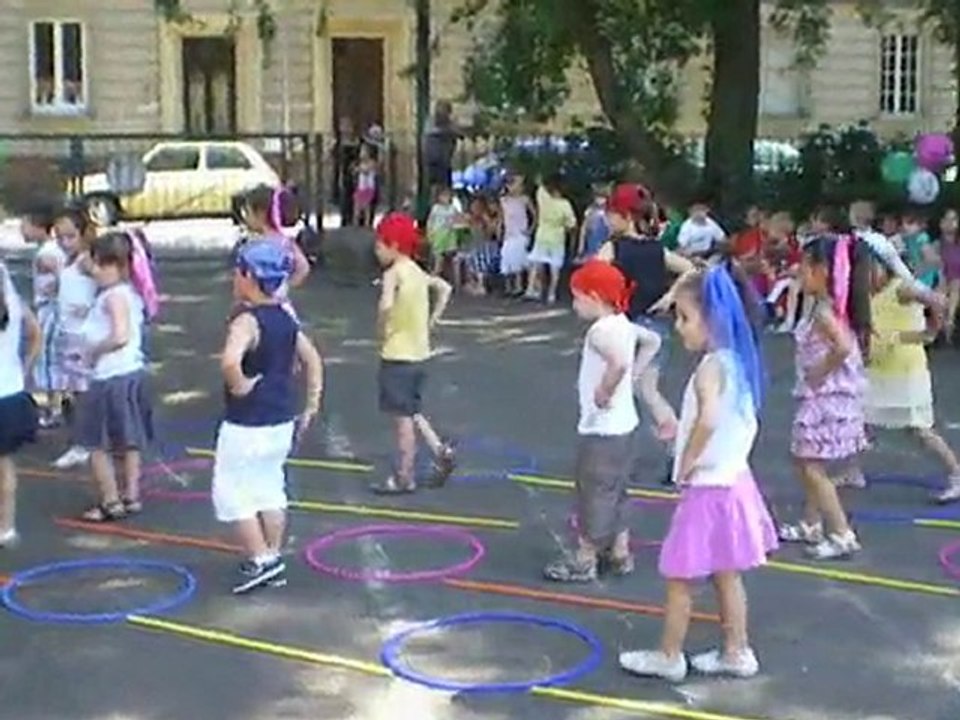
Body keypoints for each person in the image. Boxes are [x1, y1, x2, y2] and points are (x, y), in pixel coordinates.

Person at [619, 261, 776, 682]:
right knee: (727, 573)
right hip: (733, 482)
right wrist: (678, 427)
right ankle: (736, 650)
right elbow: (721, 421)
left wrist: (684, 462)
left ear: (714, 318)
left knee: (680, 576)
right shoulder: (736, 361)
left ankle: (669, 655)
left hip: (709, 487)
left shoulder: (711, 367)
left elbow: (707, 420)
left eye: (686, 318)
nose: (680, 327)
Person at [212, 241, 324, 594]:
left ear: (249, 277)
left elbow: (230, 361)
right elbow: (313, 359)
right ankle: (272, 554)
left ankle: (262, 559)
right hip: (280, 420)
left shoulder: (246, 321)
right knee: (269, 486)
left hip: (247, 423)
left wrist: (239, 383)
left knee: (232, 492)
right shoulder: (286, 319)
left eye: (238, 270)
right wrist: (312, 403)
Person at [543, 260, 660, 582]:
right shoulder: (623, 323)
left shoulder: (599, 331)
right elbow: (652, 342)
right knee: (617, 488)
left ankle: (586, 557)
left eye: (578, 297)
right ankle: (620, 551)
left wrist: (605, 390)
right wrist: (635, 376)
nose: (575, 304)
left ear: (594, 297)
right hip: (625, 426)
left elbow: (618, 362)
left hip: (602, 430)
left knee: (593, 492)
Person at [778, 235, 871, 560]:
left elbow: (843, 347)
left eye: (803, 267)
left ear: (821, 271)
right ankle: (811, 522)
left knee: (811, 466)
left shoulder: (824, 312)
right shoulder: (827, 306)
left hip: (824, 401)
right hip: (826, 399)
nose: (797, 272)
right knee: (808, 462)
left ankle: (842, 533)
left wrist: (820, 370)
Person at [596, 184, 696, 483]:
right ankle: (675, 447)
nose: (607, 220)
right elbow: (691, 268)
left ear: (625, 216)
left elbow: (594, 275)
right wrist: (671, 296)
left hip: (626, 328)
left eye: (611, 214)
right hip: (654, 325)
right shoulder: (656, 249)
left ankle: (618, 456)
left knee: (617, 391)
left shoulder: (614, 248)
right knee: (648, 391)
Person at [848, 252, 960, 502]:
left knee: (918, 429)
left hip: (905, 369)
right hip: (878, 367)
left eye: (872, 269)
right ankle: (852, 471)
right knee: (859, 420)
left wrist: (928, 333)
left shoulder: (901, 288)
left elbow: (937, 301)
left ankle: (956, 473)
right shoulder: (869, 293)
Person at [370, 213, 457, 494]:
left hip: (397, 355)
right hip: (420, 354)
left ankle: (405, 475)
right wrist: (432, 320)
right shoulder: (417, 272)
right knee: (412, 408)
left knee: (402, 418)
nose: (377, 250)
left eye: (380, 245)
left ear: (393, 245)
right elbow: (444, 288)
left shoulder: (392, 274)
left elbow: (384, 307)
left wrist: (382, 329)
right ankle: (439, 450)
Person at [74, 233, 155, 521]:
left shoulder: (113, 296)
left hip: (110, 377)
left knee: (96, 443)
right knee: (129, 439)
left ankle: (110, 500)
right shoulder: (129, 292)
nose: (93, 270)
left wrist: (93, 352)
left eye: (99, 265)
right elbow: (82, 263)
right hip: (129, 374)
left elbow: (120, 335)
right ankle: (131, 494)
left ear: (116, 266)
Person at [51, 207, 98, 470]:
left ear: (83, 234)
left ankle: (84, 443)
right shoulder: (70, 261)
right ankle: (82, 441)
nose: (64, 242)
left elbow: (106, 282)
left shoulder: (84, 260)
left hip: (83, 336)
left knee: (82, 394)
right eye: (59, 237)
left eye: (70, 236)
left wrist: (92, 306)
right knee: (72, 393)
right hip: (69, 333)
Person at [0, 262, 42, 546]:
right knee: (5, 466)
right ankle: (6, 528)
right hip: (13, 397)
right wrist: (24, 369)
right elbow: (36, 333)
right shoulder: (13, 303)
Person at [236, 185, 310, 318]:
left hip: (254, 309)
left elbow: (242, 282)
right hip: (281, 306)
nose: (245, 218)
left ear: (260, 214)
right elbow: (303, 268)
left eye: (247, 212)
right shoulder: (286, 242)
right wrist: (286, 284)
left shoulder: (250, 246)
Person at [22, 204, 66, 428]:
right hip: (46, 308)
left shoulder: (47, 254)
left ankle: (55, 408)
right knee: (47, 358)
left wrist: (56, 292)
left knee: (48, 359)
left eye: (26, 225)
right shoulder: (48, 251)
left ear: (39, 227)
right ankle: (54, 405)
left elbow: (63, 275)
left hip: (50, 310)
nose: (22, 230)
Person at [525, 175, 576, 304]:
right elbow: (572, 224)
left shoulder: (543, 197)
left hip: (542, 235)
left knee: (537, 263)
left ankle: (533, 289)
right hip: (557, 237)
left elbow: (540, 184)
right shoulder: (565, 204)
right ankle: (552, 293)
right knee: (555, 268)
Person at [499, 174, 535, 296]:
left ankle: (519, 286)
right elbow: (502, 218)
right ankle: (509, 287)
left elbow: (534, 215)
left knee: (518, 259)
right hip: (509, 233)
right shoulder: (504, 200)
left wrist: (530, 229)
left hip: (521, 233)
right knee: (507, 259)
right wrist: (500, 230)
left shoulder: (524, 199)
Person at [426, 186, 465, 287]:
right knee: (439, 260)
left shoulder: (452, 208)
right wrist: (430, 233)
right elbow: (430, 221)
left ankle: (453, 281)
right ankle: (432, 279)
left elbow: (459, 218)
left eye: (447, 196)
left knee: (451, 257)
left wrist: (457, 222)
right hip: (439, 234)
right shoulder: (436, 208)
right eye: (443, 196)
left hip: (450, 234)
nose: (445, 198)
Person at [939, 208, 960, 344]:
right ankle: (945, 324)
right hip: (941, 281)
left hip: (957, 282)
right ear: (941, 223)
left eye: (954, 220)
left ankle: (949, 321)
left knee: (956, 284)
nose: (950, 223)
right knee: (944, 285)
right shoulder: (935, 244)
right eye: (947, 219)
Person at [576, 185, 611, 261]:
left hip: (604, 245)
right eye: (597, 196)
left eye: (602, 197)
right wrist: (581, 245)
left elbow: (611, 229)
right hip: (591, 244)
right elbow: (584, 228)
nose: (599, 199)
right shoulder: (590, 210)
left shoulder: (609, 211)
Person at [352, 143, 378, 227]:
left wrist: (359, 169)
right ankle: (355, 224)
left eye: (364, 151)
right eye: (361, 151)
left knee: (366, 206)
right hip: (361, 187)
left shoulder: (372, 162)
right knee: (357, 205)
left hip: (368, 188)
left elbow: (366, 171)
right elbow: (354, 171)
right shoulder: (360, 163)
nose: (362, 153)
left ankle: (367, 224)